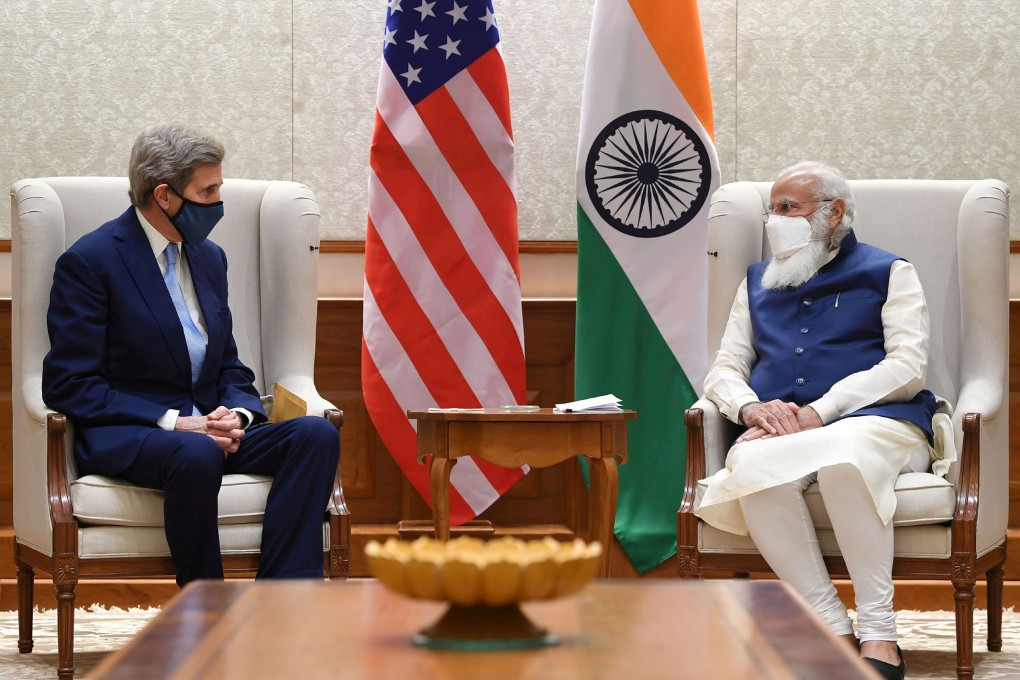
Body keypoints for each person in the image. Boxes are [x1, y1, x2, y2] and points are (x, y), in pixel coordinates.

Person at [41, 125, 340, 587]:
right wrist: (176, 422)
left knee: (315, 435)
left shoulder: (209, 257)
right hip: (135, 434)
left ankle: (282, 597)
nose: (219, 202)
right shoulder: (91, 262)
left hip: (208, 431)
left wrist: (238, 414)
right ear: (164, 196)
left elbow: (228, 364)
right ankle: (205, 608)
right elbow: (70, 385)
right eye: (208, 191)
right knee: (197, 451)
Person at [697, 161, 936, 680]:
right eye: (772, 209)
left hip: (878, 421)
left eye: (789, 208)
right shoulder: (756, 282)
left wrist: (821, 412)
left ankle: (880, 633)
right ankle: (830, 628)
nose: (775, 220)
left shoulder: (889, 271)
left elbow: (907, 366)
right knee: (754, 466)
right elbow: (725, 367)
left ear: (833, 212)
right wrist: (750, 408)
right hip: (783, 428)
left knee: (844, 460)